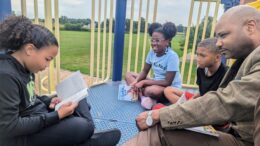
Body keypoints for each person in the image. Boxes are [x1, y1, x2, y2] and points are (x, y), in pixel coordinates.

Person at [123, 5, 260, 146]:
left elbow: (226, 101)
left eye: (223, 35)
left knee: (160, 128)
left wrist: (160, 114)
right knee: (165, 122)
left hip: (242, 138)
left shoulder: (173, 57)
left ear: (250, 27)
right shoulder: (241, 60)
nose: (218, 43)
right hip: (230, 128)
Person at [0, 16, 121, 146]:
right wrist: (57, 115)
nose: (47, 65)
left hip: (38, 117)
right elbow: (9, 126)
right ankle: (90, 139)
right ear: (30, 50)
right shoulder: (6, 75)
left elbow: (29, 99)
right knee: (81, 125)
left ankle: (86, 136)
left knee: (78, 98)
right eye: (47, 59)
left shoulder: (24, 67)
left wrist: (48, 101)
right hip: (22, 137)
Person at [125, 22, 182, 109]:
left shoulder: (172, 56)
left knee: (150, 90)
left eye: (157, 40)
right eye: (152, 40)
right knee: (129, 75)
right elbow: (144, 71)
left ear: (167, 42)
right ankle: (143, 98)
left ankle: (145, 95)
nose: (154, 43)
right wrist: (136, 81)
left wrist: (143, 82)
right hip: (155, 81)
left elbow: (167, 82)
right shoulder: (151, 53)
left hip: (169, 88)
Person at [164, 38, 227, 104]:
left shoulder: (226, 74)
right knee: (168, 90)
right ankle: (184, 108)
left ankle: (183, 109)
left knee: (159, 110)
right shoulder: (201, 70)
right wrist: (192, 99)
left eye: (202, 55)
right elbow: (202, 92)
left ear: (217, 57)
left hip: (211, 106)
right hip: (201, 100)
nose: (198, 59)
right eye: (197, 54)